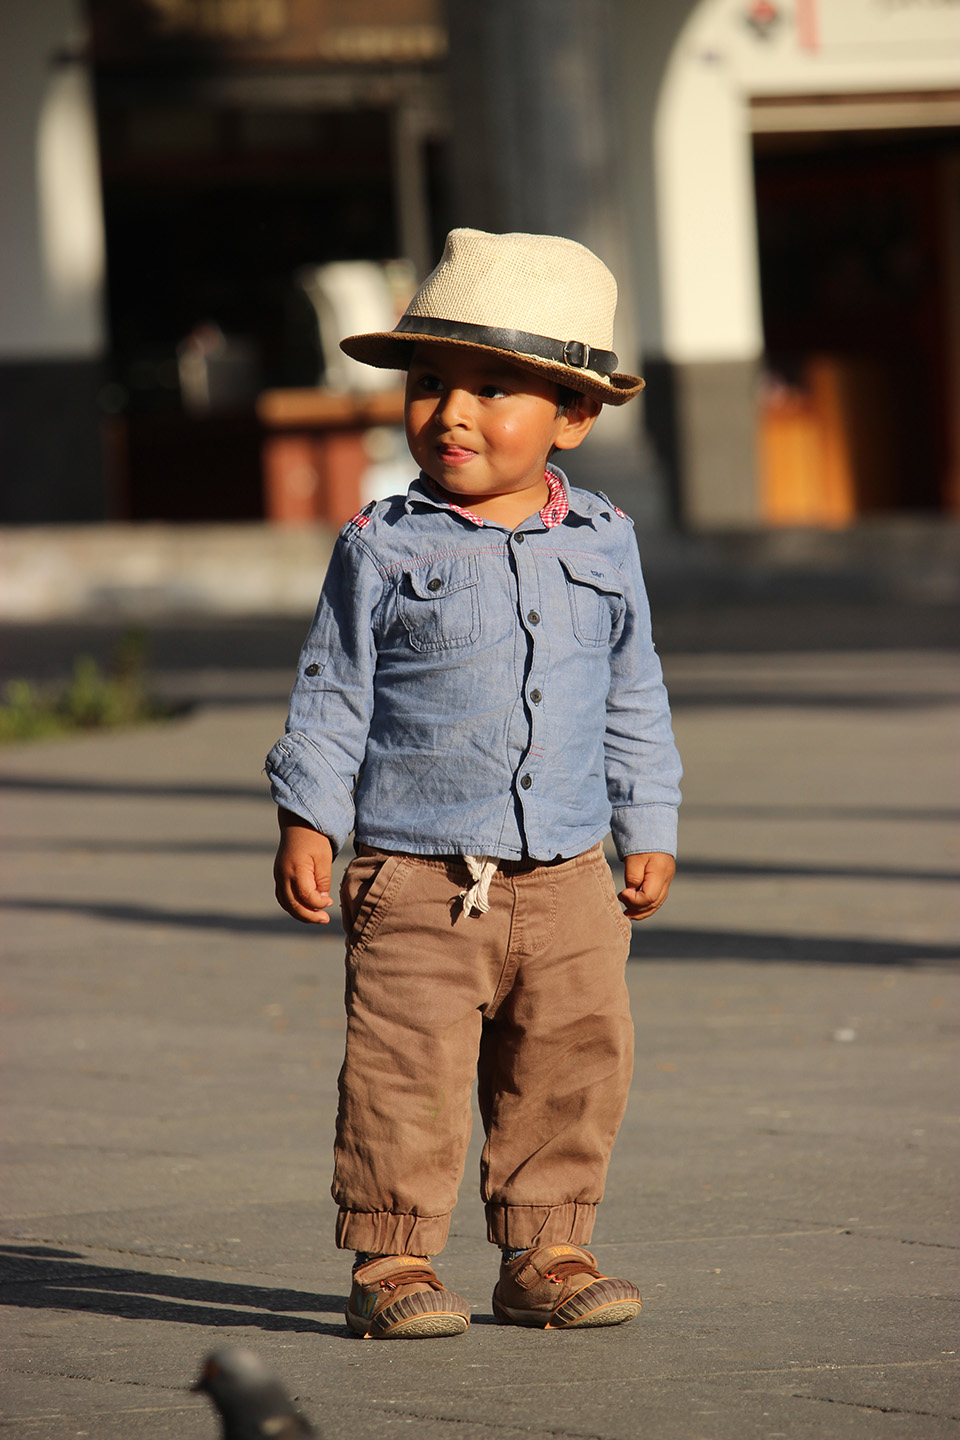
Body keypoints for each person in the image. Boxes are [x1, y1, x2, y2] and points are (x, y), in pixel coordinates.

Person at [266, 228, 682, 1340]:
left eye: (492, 390)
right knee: (403, 1070)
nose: (450, 412)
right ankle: (392, 1258)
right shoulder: (382, 547)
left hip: (572, 875)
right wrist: (310, 816)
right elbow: (333, 691)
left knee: (571, 1061)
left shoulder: (605, 542)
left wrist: (648, 818)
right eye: (429, 383)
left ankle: (546, 1248)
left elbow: (634, 687)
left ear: (572, 415)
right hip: (416, 875)